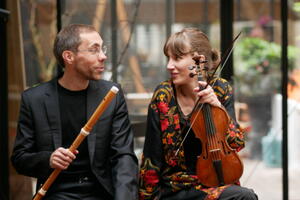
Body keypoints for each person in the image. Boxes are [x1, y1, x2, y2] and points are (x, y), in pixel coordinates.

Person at [11, 24, 138, 200]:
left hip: (101, 192)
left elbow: (124, 156)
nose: (103, 56)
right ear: (69, 57)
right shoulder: (34, 99)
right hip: (56, 193)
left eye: (102, 48)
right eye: (94, 50)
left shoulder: (112, 95)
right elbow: (20, 159)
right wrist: (49, 159)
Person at [138, 28, 258, 200]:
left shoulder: (220, 89)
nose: (169, 65)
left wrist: (217, 105)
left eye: (177, 58)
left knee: (245, 196)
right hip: (176, 189)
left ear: (198, 60)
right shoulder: (163, 95)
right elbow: (151, 156)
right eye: (168, 58)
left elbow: (237, 143)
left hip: (216, 183)